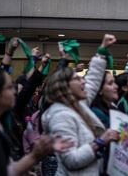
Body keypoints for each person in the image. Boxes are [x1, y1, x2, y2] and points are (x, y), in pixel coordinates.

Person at [42, 34, 120, 176]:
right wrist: (101, 142)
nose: (83, 82)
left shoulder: (78, 105)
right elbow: (71, 160)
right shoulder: (60, 116)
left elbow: (93, 79)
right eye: (77, 79)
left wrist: (102, 50)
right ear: (65, 87)